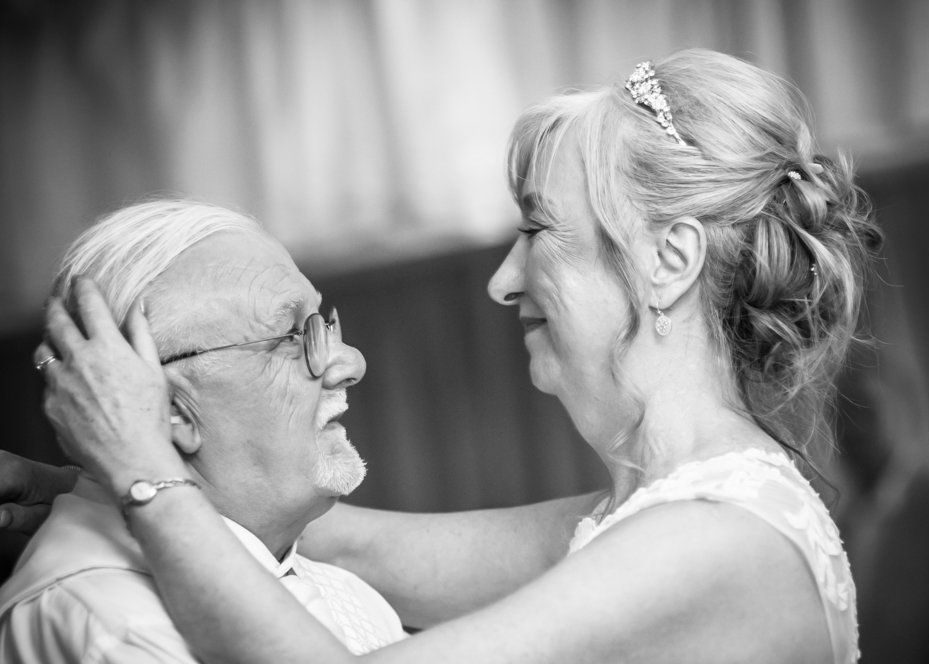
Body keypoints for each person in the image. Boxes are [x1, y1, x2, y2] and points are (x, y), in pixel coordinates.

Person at [24, 48, 881, 663]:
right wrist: (88, 481)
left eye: (539, 229)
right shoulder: (654, 513)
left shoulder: (711, 541)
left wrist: (147, 477)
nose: (504, 282)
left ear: (669, 261)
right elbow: (355, 549)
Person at [0, 200, 408, 662]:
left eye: (321, 324)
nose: (352, 362)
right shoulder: (116, 626)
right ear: (167, 409)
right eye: (293, 337)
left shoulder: (345, 590)